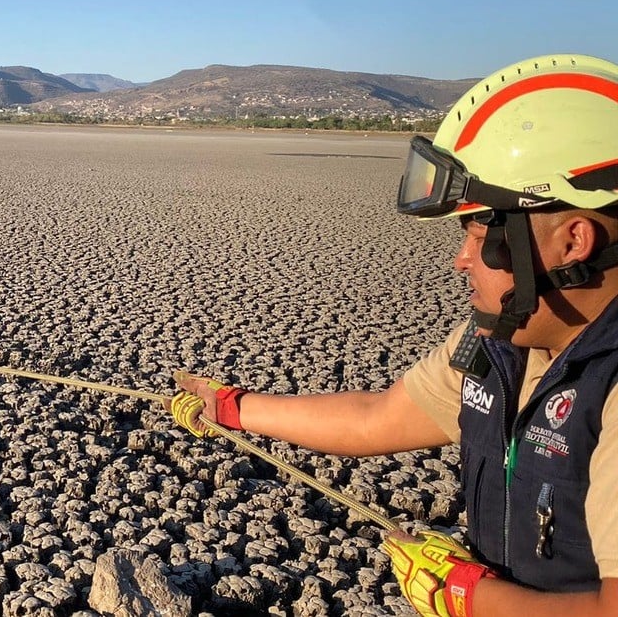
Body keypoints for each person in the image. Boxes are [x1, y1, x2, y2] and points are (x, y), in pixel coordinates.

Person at [168, 54, 618, 617]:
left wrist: (467, 596)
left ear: (573, 242)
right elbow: (376, 417)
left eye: (481, 236)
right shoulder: (498, 346)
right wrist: (232, 408)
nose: (461, 261)